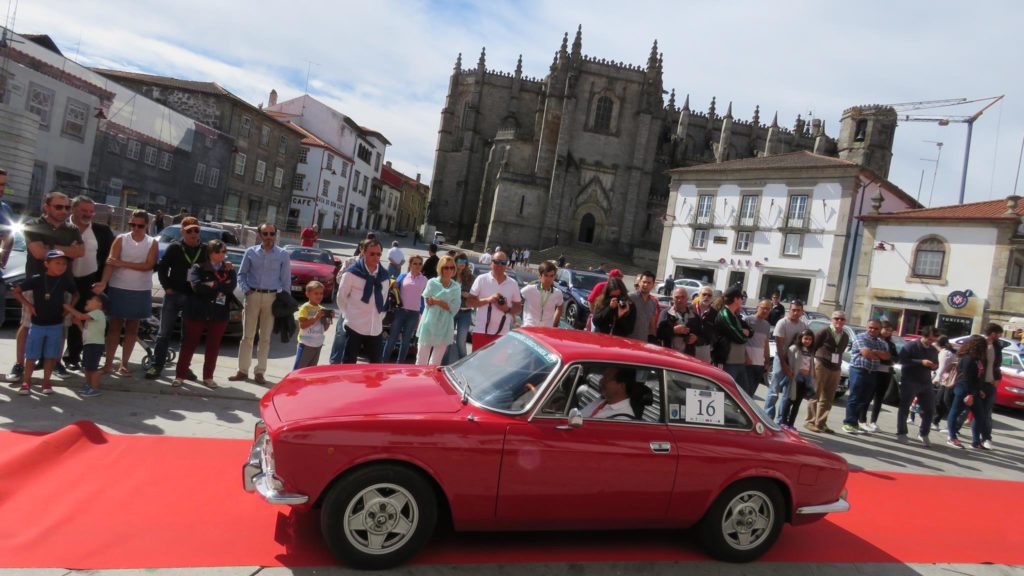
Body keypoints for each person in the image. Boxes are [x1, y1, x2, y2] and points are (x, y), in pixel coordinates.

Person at [11, 191, 83, 381]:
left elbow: (80, 251)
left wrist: (50, 248)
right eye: (58, 207)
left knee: (61, 327)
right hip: (36, 283)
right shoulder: (33, 225)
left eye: (67, 207)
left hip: (63, 283)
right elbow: (37, 253)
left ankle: (56, 362)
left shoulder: (72, 228)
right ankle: (20, 364)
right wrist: (67, 249)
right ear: (46, 207)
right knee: (27, 325)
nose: (64, 211)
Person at [96, 210, 157, 376]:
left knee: (132, 328)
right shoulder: (121, 239)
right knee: (114, 327)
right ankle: (108, 364)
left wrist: (121, 263)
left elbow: (148, 265)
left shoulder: (152, 242)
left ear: (146, 225)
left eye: (140, 225)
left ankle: (124, 364)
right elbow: (110, 263)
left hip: (140, 289)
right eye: (133, 224)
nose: (136, 228)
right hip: (118, 286)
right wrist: (103, 282)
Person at [230, 223, 291, 385]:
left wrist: (286, 301)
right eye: (266, 234)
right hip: (253, 296)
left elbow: (286, 280)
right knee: (247, 336)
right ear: (259, 235)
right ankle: (242, 371)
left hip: (272, 298)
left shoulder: (283, 254)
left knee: (265, 338)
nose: (269, 237)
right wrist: (246, 290)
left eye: (272, 233)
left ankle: (260, 372)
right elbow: (241, 274)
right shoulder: (251, 252)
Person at [147, 216, 207, 380]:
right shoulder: (174, 248)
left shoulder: (204, 249)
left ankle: (183, 369)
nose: (194, 233)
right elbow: (162, 269)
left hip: (192, 298)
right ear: (183, 231)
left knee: (187, 336)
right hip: (174, 296)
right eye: (189, 231)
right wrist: (167, 288)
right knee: (164, 333)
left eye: (196, 230)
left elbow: (212, 269)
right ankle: (156, 365)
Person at [13, 250, 77, 395]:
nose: (61, 266)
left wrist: (69, 310)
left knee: (50, 356)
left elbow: (76, 294)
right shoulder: (37, 279)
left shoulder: (65, 281)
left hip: (56, 324)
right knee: (31, 356)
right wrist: (28, 305)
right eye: (57, 263)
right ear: (46, 264)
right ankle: (26, 382)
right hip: (37, 324)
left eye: (64, 264)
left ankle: (46, 382)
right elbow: (16, 291)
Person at [176, 239, 237, 388]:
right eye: (218, 251)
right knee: (189, 344)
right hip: (197, 311)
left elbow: (230, 287)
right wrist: (219, 287)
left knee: (213, 346)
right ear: (210, 253)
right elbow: (197, 287)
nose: (222, 254)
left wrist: (213, 284)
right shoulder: (198, 267)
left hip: (219, 313)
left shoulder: (229, 269)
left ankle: (208, 377)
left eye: (224, 251)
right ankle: (180, 376)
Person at [64, 196, 114, 373]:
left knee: (83, 320)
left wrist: (103, 282)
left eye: (91, 211)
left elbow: (110, 259)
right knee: (60, 320)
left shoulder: (103, 231)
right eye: (84, 211)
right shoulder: (61, 228)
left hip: (89, 281)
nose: (88, 214)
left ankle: (73, 357)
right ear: (73, 209)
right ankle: (50, 359)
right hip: (62, 280)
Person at [338, 238, 391, 364]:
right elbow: (341, 298)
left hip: (375, 328)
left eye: (378, 254)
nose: (375, 257)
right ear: (364, 253)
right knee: (348, 364)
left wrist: (379, 317)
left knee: (375, 365)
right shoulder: (351, 274)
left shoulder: (384, 276)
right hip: (354, 326)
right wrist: (349, 315)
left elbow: (383, 300)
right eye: (372, 253)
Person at [842, 319, 891, 434]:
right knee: (854, 397)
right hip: (859, 370)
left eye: (876, 328)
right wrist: (877, 353)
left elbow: (887, 356)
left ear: (880, 330)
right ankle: (848, 423)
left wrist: (873, 352)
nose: (872, 330)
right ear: (866, 327)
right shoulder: (860, 337)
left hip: (873, 372)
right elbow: (866, 354)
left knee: (864, 399)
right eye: (870, 327)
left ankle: (855, 423)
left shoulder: (881, 342)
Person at [805, 310, 850, 433]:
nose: (839, 321)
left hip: (835, 368)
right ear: (832, 319)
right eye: (836, 318)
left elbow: (841, 350)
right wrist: (814, 362)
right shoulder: (823, 332)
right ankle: (810, 421)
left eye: (842, 319)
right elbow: (812, 347)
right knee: (815, 394)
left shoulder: (845, 335)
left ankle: (821, 423)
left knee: (828, 397)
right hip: (821, 364)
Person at [896, 326, 940, 446]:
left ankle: (924, 433)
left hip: (925, 382)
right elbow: (902, 360)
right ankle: (902, 432)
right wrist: (921, 362)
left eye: (933, 340)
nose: (931, 342)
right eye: (929, 339)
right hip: (910, 380)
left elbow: (937, 364)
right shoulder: (911, 346)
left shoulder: (933, 349)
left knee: (930, 409)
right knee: (905, 407)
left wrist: (934, 366)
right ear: (923, 336)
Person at [469, 250, 521, 350]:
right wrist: (488, 300)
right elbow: (469, 302)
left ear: (506, 265)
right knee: (478, 365)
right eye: (497, 262)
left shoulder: (513, 283)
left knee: (497, 365)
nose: (499, 265)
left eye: (503, 263)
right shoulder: (481, 279)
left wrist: (507, 309)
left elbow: (518, 308)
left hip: (502, 334)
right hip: (481, 331)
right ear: (491, 263)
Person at [765, 300, 807, 420]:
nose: (795, 312)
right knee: (774, 390)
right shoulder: (782, 323)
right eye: (793, 310)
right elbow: (779, 347)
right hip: (781, 359)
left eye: (798, 310)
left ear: (802, 312)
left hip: (794, 361)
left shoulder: (803, 325)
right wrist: (785, 366)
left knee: (788, 393)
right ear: (789, 310)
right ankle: (768, 417)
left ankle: (781, 420)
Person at [416, 255, 461, 364]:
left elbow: (454, 308)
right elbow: (427, 301)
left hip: (445, 325)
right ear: (440, 268)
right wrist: (442, 303)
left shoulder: (456, 287)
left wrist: (437, 301)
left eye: (452, 267)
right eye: (446, 267)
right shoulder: (432, 282)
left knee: (435, 363)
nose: (449, 270)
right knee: (421, 360)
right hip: (429, 323)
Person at [382, 255, 427, 363]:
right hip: (400, 312)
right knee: (392, 338)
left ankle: (400, 364)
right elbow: (393, 290)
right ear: (410, 265)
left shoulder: (425, 280)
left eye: (420, 264)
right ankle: (383, 362)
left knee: (406, 341)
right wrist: (393, 284)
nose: (417, 266)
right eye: (415, 263)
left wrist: (421, 314)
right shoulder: (403, 276)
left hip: (414, 314)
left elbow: (424, 298)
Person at [947, 335, 986, 449]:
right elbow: (967, 378)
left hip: (974, 391)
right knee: (955, 412)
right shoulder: (968, 359)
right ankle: (952, 437)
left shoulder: (977, 359)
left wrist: (979, 390)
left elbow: (977, 377)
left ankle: (976, 442)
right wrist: (969, 394)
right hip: (964, 389)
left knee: (980, 415)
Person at [713, 285, 753, 395]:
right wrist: (743, 333)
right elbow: (739, 337)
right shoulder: (724, 314)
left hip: (739, 362)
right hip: (727, 362)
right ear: (735, 299)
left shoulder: (735, 315)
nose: (742, 300)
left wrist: (745, 332)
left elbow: (751, 331)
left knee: (743, 393)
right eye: (741, 298)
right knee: (723, 392)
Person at [329, 241, 363, 364]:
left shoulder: (374, 265)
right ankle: (334, 363)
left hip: (361, 308)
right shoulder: (350, 261)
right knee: (341, 335)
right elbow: (338, 278)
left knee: (354, 339)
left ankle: (347, 366)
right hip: (347, 305)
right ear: (361, 248)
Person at [861, 320, 898, 432]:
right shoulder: (875, 340)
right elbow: (871, 354)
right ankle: (862, 419)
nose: (888, 332)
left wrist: (887, 357)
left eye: (890, 331)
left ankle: (873, 421)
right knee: (868, 396)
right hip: (874, 370)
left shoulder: (890, 344)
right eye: (886, 329)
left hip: (886, 372)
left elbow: (895, 357)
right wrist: (882, 356)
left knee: (879, 397)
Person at [70, 292, 107, 397]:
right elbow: (86, 332)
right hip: (89, 344)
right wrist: (79, 325)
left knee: (92, 368)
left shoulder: (98, 313)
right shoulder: (92, 317)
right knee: (87, 367)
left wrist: (68, 307)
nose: (87, 301)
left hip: (95, 345)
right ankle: (89, 385)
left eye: (92, 299)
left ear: (100, 304)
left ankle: (94, 388)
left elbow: (81, 316)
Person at [778, 329, 816, 429]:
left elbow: (811, 365)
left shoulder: (810, 351)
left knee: (797, 403)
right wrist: (790, 372)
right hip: (795, 378)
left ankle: (791, 424)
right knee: (789, 400)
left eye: (810, 339)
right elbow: (789, 362)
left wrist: (811, 377)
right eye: (805, 338)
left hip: (805, 379)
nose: (807, 341)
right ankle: (783, 422)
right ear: (800, 338)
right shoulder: (794, 348)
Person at [977, 323, 1006, 450]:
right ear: (993, 333)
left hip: (991, 383)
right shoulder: (979, 344)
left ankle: (986, 438)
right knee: (973, 411)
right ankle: (954, 432)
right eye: (999, 333)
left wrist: (997, 378)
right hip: (978, 383)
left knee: (987, 413)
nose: (1000, 336)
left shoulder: (997, 346)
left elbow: (997, 364)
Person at [445, 251, 476, 363]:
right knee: (447, 340)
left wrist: (468, 295)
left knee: (461, 341)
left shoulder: (471, 278)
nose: (462, 263)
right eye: (460, 261)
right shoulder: (450, 275)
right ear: (455, 262)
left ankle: (464, 364)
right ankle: (444, 365)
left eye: (464, 261)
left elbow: (475, 296)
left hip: (465, 312)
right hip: (451, 311)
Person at [294, 281, 330, 369]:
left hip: (317, 344)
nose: (319, 296)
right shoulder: (305, 307)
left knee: (310, 370)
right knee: (299, 369)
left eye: (321, 293)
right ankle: (295, 383)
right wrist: (316, 317)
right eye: (316, 293)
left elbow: (324, 328)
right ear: (307, 294)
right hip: (306, 344)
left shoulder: (322, 309)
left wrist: (328, 318)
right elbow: (302, 325)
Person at [521, 260, 564, 327]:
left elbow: (560, 307)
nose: (549, 279)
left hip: (546, 331)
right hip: (529, 329)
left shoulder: (558, 293)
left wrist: (554, 324)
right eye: (546, 275)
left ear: (554, 277)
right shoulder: (529, 289)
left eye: (551, 276)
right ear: (540, 276)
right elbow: (515, 301)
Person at [657, 287, 698, 354]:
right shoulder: (665, 313)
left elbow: (701, 335)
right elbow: (659, 333)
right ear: (673, 298)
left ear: (687, 299)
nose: (679, 300)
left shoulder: (694, 316)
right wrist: (673, 330)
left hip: (688, 356)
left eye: (682, 297)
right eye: (677, 297)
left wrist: (696, 338)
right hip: (669, 354)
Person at [744, 299, 773, 395]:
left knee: (751, 392)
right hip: (747, 362)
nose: (766, 311)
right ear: (757, 307)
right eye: (764, 308)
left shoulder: (767, 325)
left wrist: (767, 361)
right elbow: (741, 341)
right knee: (744, 391)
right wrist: (745, 356)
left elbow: (765, 343)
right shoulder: (747, 320)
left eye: (768, 309)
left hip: (759, 364)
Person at [932, 335, 958, 431]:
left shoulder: (945, 353)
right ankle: (935, 421)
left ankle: (951, 425)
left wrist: (936, 379)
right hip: (948, 380)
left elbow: (942, 368)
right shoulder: (950, 352)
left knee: (946, 402)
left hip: (947, 380)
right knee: (941, 401)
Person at [626, 271, 658, 343]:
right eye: (644, 282)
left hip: (643, 343)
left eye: (649, 283)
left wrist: (654, 341)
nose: (645, 285)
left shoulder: (653, 303)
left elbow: (652, 325)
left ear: (653, 285)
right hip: (627, 341)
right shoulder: (630, 297)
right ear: (639, 282)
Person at [690, 286, 717, 362]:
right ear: (699, 295)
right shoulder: (690, 309)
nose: (706, 297)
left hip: (704, 349)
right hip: (688, 347)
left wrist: (699, 339)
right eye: (704, 294)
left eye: (709, 295)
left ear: (712, 298)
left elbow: (714, 334)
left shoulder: (715, 314)